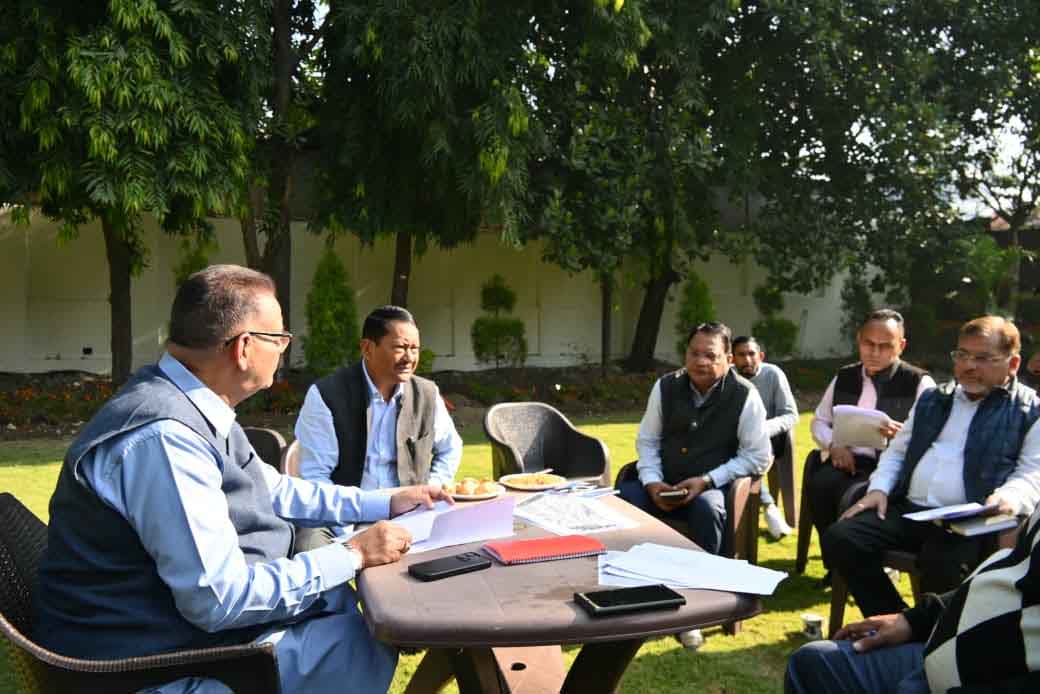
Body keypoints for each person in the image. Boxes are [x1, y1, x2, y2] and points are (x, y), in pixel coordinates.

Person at [33, 265, 453, 694]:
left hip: (167, 628)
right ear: (245, 347)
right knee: (359, 642)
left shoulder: (192, 404)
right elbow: (218, 600)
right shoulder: (167, 439)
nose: (284, 349)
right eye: (280, 338)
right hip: (145, 668)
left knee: (344, 607)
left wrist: (387, 502)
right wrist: (353, 553)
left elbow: (273, 489)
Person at [823, 315, 1040, 617]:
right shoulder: (934, 398)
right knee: (841, 538)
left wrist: (1008, 497)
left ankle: (923, 632)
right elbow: (897, 451)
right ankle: (894, 619)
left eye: (982, 358)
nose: (968, 366)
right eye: (962, 355)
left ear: (1013, 364)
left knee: (943, 563)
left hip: (969, 522)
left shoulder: (1030, 410)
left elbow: (1032, 473)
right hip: (910, 509)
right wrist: (879, 489)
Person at [786, 502, 1040, 694]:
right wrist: (913, 620)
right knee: (813, 663)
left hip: (971, 678)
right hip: (942, 654)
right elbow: (1018, 569)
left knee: (943, 556)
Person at [293, 305, 462, 550]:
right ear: (367, 348)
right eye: (400, 347)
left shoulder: (426, 394)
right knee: (311, 551)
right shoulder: (326, 395)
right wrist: (350, 532)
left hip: (411, 514)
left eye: (414, 348)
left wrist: (431, 488)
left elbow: (450, 448)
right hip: (343, 519)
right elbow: (315, 477)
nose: (409, 357)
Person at [621, 321, 771, 556]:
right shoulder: (665, 387)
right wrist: (652, 481)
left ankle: (706, 577)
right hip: (663, 483)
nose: (700, 361)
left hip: (713, 488)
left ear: (729, 359)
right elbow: (648, 440)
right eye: (694, 353)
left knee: (707, 508)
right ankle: (627, 573)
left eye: (710, 356)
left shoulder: (745, 395)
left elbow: (758, 456)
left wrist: (707, 480)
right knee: (624, 497)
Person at [806, 309, 934, 570]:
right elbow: (819, 421)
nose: (875, 352)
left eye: (885, 346)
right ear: (859, 340)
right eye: (868, 344)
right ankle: (836, 564)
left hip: (892, 470)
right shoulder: (845, 376)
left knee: (855, 496)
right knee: (820, 484)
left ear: (901, 345)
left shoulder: (919, 383)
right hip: (847, 461)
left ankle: (861, 560)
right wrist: (834, 445)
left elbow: (932, 439)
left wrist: (903, 436)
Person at [732, 335, 800, 539]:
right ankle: (769, 505)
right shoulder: (727, 377)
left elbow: (791, 415)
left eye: (751, 354)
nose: (747, 360)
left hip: (771, 437)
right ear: (732, 358)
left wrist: (762, 429)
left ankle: (767, 506)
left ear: (760, 356)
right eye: (741, 355)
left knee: (744, 456)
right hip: (738, 441)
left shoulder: (773, 374)